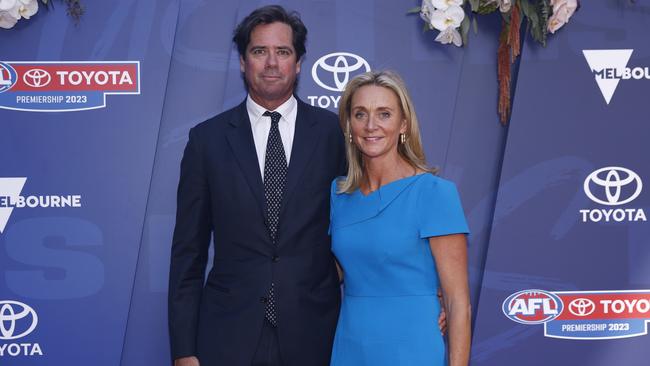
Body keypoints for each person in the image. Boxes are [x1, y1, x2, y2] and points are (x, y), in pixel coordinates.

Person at [167, 5, 346, 366]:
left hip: (315, 334)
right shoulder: (208, 141)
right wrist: (184, 350)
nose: (271, 63)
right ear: (242, 62)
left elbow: (364, 224)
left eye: (283, 52)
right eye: (259, 51)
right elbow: (188, 252)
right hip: (227, 334)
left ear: (298, 63)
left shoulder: (333, 134)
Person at [329, 70, 471, 366]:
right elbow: (332, 273)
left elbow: (458, 303)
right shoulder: (339, 194)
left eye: (384, 114)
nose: (371, 126)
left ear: (403, 123)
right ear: (348, 125)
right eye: (360, 114)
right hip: (350, 345)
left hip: (412, 346)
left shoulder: (434, 193)